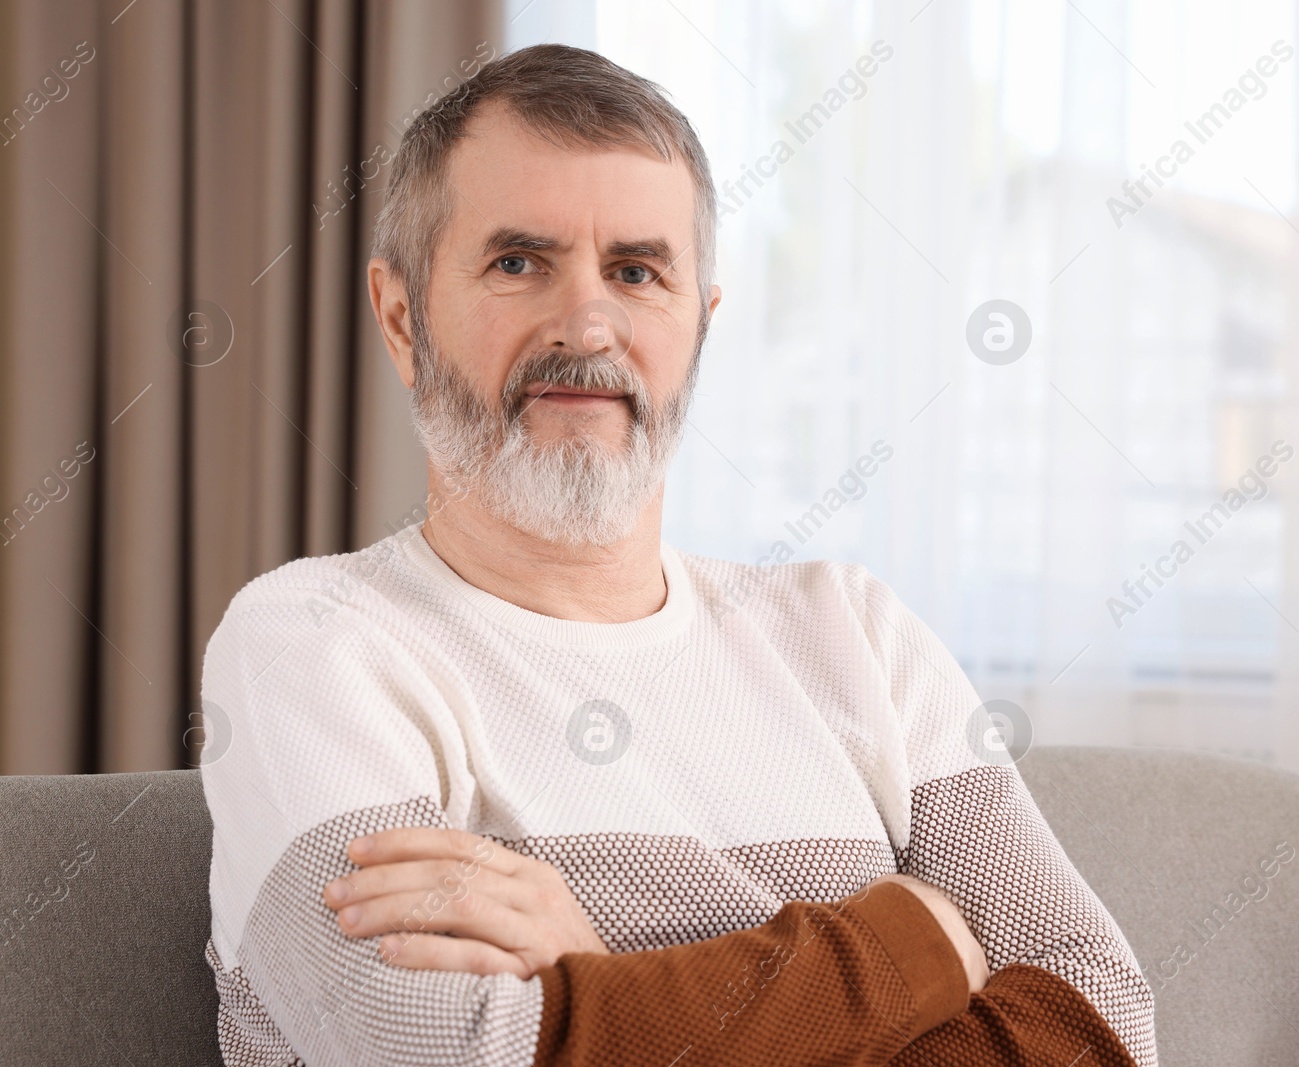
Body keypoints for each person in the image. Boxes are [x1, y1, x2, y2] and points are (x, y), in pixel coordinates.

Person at [200, 42, 1155, 1067]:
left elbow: (1101, 1024)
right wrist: (907, 947)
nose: (589, 323)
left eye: (637, 270)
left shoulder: (857, 632)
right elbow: (431, 1049)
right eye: (518, 261)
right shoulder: (310, 643)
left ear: (698, 324)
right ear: (401, 318)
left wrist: (590, 983)